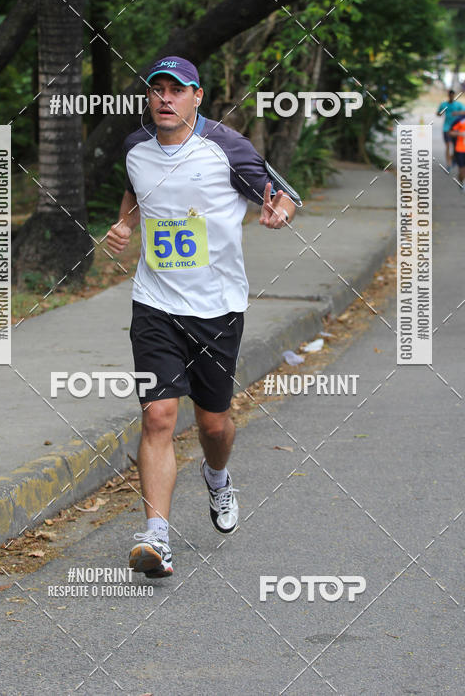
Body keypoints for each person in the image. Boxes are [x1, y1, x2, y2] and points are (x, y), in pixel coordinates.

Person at [105, 56, 301, 577]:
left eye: (177, 90)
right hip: (154, 303)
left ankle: (218, 478)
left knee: (213, 423)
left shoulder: (226, 146)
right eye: (157, 90)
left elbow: (281, 194)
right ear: (149, 97)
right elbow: (133, 192)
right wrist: (124, 227)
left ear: (197, 96)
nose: (165, 98)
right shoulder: (135, 148)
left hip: (217, 308)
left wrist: (277, 211)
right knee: (158, 416)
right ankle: (157, 538)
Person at [436, 89, 464, 167]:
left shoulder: (458, 104)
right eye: (450, 95)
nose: (451, 97)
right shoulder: (444, 104)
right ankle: (448, 163)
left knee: (455, 147)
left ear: (454, 96)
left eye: (452, 95)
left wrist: (457, 113)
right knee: (448, 145)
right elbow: (438, 114)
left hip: (455, 128)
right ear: (448, 95)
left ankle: (453, 159)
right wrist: (440, 113)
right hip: (446, 128)